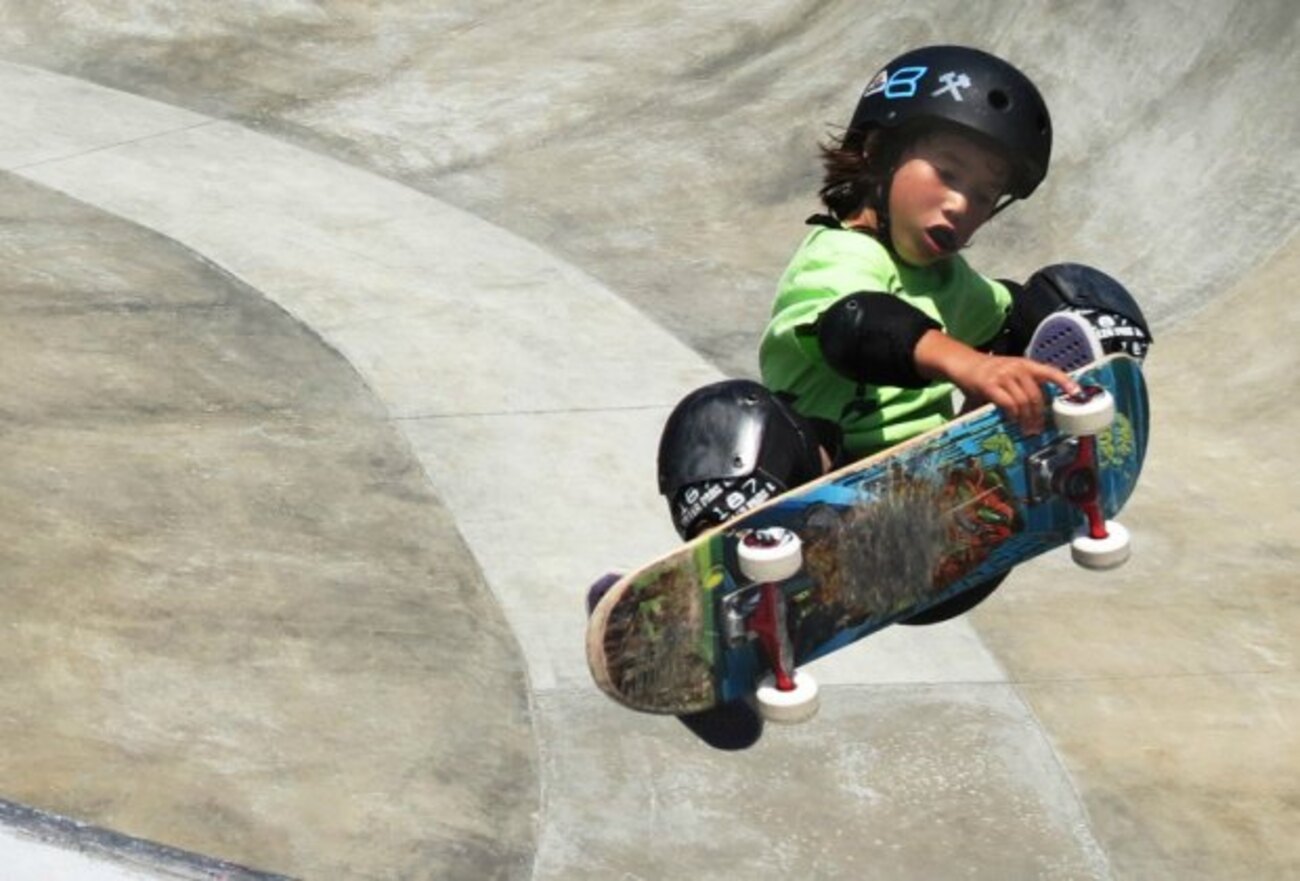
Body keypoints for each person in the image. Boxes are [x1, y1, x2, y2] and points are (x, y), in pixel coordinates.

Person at [658, 45, 1152, 553]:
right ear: (878, 153)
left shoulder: (950, 281)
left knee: (1070, 299)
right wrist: (970, 365)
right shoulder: (836, 255)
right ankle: (736, 552)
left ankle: (1061, 450)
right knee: (725, 415)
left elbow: (1012, 312)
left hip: (932, 502)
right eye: (947, 174)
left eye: (984, 195)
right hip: (818, 500)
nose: (961, 204)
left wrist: (1072, 338)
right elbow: (856, 326)